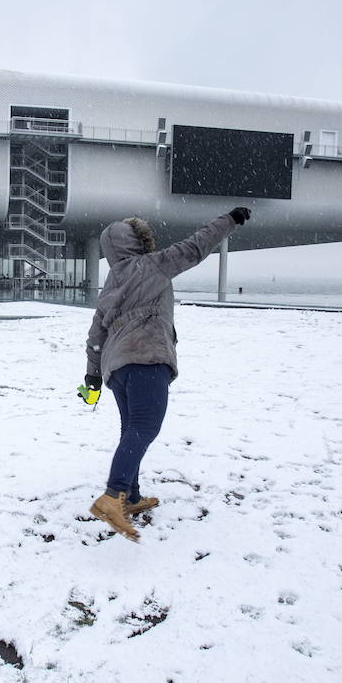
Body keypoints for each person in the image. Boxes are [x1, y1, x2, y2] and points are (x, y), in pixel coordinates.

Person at [84, 206, 251, 541]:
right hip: (147, 357)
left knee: (131, 429)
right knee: (145, 428)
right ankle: (111, 497)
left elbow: (95, 335)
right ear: (138, 242)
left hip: (116, 368)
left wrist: (93, 377)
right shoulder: (153, 265)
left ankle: (129, 497)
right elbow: (197, 246)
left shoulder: (112, 282)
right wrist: (229, 220)